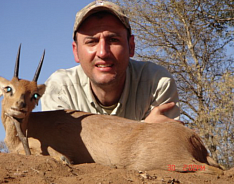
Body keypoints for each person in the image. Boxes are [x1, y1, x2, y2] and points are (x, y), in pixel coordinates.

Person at [41, 0, 181, 123]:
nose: (103, 52)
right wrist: (144, 130)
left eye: (113, 40)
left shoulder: (157, 83)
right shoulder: (58, 89)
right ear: (76, 51)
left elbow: (166, 150)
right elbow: (61, 152)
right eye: (91, 41)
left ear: (131, 46)